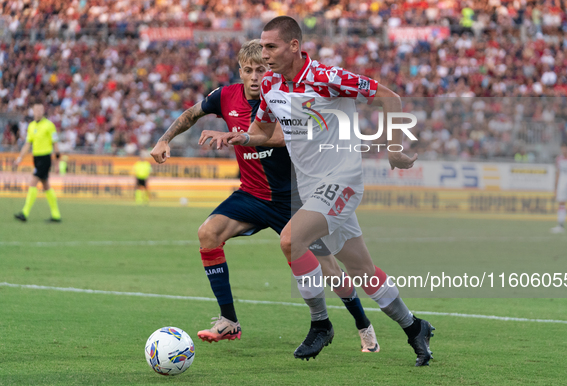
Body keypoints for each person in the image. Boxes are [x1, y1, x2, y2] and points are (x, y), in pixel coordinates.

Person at [220, 16, 435, 365]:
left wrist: (394, 147)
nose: (265, 54)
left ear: (294, 46)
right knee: (364, 271)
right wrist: (239, 136)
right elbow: (262, 129)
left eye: (271, 46)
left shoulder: (326, 78)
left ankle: (321, 324)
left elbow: (389, 97)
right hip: (311, 188)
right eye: (262, 46)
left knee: (291, 240)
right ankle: (415, 328)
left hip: (342, 180)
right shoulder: (272, 84)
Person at [150, 40, 379, 353]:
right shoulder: (224, 96)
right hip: (253, 195)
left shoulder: (284, 97)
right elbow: (191, 114)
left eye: (262, 69)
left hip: (296, 199)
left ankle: (363, 326)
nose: (256, 76)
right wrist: (165, 140)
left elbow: (285, 136)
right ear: (240, 73)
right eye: (249, 70)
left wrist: (244, 136)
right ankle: (229, 321)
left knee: (330, 268)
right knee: (208, 233)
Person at [13, 101, 62, 223]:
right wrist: (19, 158)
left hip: (45, 158)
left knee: (33, 181)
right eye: (36, 110)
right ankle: (56, 215)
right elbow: (27, 145)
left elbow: (55, 144)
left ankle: (25, 213)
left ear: (43, 111)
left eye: (40, 110)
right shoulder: (31, 126)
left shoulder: (49, 125)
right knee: (46, 185)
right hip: (36, 158)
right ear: (33, 111)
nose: (38, 112)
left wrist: (57, 163)